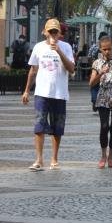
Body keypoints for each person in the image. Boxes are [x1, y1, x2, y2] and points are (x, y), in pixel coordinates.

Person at [22, 18, 75, 171]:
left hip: (59, 93)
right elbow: (32, 70)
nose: (52, 34)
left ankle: (54, 158)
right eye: (50, 31)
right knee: (39, 126)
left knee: (57, 128)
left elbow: (71, 69)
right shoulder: (38, 47)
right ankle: (39, 159)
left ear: (59, 33)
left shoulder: (66, 47)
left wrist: (58, 50)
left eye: (55, 31)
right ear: (45, 32)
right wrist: (26, 90)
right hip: (41, 92)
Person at [89, 35, 112, 169]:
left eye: (109, 49)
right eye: (104, 49)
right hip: (103, 97)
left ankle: (111, 157)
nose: (107, 52)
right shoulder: (97, 63)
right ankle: (103, 155)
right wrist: (101, 73)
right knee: (104, 126)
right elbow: (91, 83)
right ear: (100, 49)